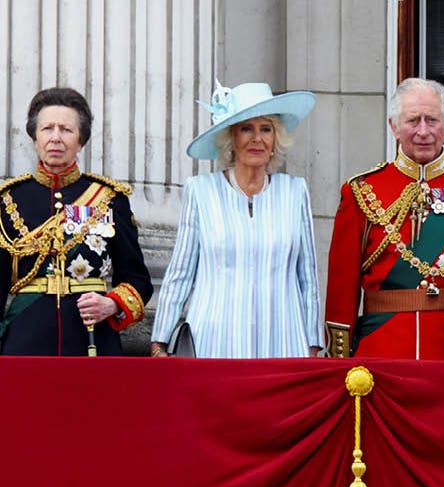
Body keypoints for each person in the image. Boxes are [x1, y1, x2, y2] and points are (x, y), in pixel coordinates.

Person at [325, 77, 444, 359]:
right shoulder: (361, 191)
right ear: (393, 126)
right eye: (412, 120)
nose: (423, 131)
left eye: (432, 120)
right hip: (381, 350)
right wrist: (339, 362)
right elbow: (341, 290)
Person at [150, 82, 322, 358]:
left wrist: (313, 342)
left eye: (266, 129)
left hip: (282, 340)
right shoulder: (201, 191)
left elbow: (308, 278)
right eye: (246, 129)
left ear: (276, 139)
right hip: (214, 341)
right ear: (231, 138)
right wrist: (160, 340)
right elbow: (181, 273)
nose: (257, 138)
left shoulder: (294, 192)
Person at [0, 87, 152, 356]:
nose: (55, 138)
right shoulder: (9, 200)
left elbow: (137, 279)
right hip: (25, 341)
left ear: (81, 140)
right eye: (47, 128)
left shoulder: (109, 198)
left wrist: (112, 304)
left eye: (66, 130)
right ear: (35, 137)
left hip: (92, 340)